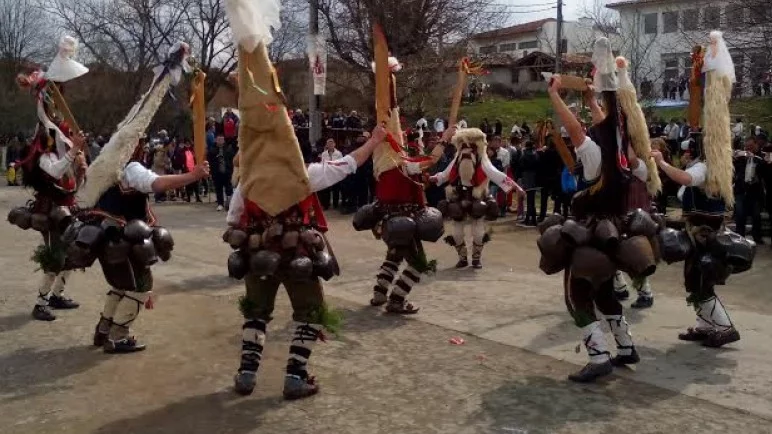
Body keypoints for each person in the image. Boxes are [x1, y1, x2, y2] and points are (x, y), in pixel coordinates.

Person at [221, 7, 388, 397]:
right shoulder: (305, 174)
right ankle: (295, 377)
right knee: (309, 312)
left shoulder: (246, 182)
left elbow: (232, 222)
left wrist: (252, 233)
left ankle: (247, 373)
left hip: (260, 253)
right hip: (298, 254)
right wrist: (376, 140)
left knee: (257, 313)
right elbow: (348, 165)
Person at [70, 41, 205, 353]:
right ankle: (117, 337)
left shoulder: (107, 168)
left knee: (119, 285)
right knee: (140, 288)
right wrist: (192, 176)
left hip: (107, 240)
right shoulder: (129, 169)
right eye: (141, 140)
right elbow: (156, 184)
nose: (142, 144)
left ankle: (103, 331)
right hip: (123, 240)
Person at [541, 37, 646, 383]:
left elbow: (574, 128)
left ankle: (599, 356)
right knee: (605, 293)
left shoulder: (590, 153)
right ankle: (626, 347)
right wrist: (592, 97)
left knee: (578, 298)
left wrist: (555, 95)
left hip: (588, 233)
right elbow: (607, 123)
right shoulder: (624, 157)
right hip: (615, 234)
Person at [651, 31, 750, 349]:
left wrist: (661, 164)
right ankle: (704, 326)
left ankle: (723, 326)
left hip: (705, 232)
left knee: (701, 280)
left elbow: (684, 180)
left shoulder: (707, 167)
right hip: (706, 227)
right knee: (695, 279)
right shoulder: (721, 164)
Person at [12, 37, 90, 322]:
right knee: (56, 254)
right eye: (56, 98)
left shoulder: (61, 135)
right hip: (53, 207)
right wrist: (75, 152)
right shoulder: (45, 139)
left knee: (73, 252)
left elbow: (69, 174)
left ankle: (56, 295)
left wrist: (79, 161)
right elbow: (53, 171)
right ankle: (41, 302)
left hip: (68, 203)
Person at [430, 128, 522, 268]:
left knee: (478, 232)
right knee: (457, 233)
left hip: (477, 196)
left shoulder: (482, 159)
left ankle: (476, 258)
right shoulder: (457, 158)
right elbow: (446, 173)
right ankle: (462, 258)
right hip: (458, 195)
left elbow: (496, 174)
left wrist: (516, 187)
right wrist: (435, 178)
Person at [733, 138, 764, 243]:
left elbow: (763, 168)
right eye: (746, 146)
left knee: (756, 215)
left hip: (755, 192)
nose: (748, 148)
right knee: (740, 214)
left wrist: (754, 158)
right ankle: (739, 236)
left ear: (756, 144)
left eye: (750, 146)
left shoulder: (761, 156)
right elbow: (734, 169)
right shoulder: (742, 156)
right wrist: (736, 158)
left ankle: (757, 237)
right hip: (740, 190)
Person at [208, 133, 235, 211]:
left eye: (222, 139)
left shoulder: (228, 149)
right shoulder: (212, 150)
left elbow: (232, 160)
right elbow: (210, 162)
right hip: (217, 172)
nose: (220, 141)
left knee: (229, 188)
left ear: (224, 140)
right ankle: (220, 204)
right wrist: (210, 172)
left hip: (227, 172)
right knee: (218, 189)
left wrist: (231, 169)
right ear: (216, 140)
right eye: (219, 139)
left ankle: (229, 203)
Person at [318, 138, 343, 209]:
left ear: (334, 144)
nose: (330, 145)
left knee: (336, 190)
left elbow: (341, 163)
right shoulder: (324, 154)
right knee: (326, 190)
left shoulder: (338, 153)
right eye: (328, 143)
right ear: (326, 145)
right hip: (327, 174)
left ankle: (335, 204)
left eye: (331, 143)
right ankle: (326, 204)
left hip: (335, 174)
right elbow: (322, 162)